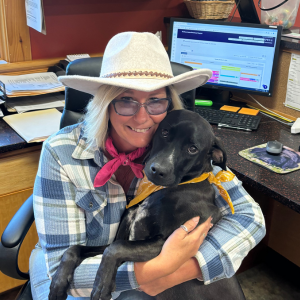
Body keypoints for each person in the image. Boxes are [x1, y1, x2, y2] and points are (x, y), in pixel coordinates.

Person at [29, 32, 266, 300]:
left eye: (155, 100)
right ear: (106, 103)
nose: (142, 117)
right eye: (126, 100)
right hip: (80, 281)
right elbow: (61, 272)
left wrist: (179, 269)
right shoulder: (61, 152)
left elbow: (251, 218)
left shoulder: (178, 145)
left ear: (169, 104)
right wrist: (154, 271)